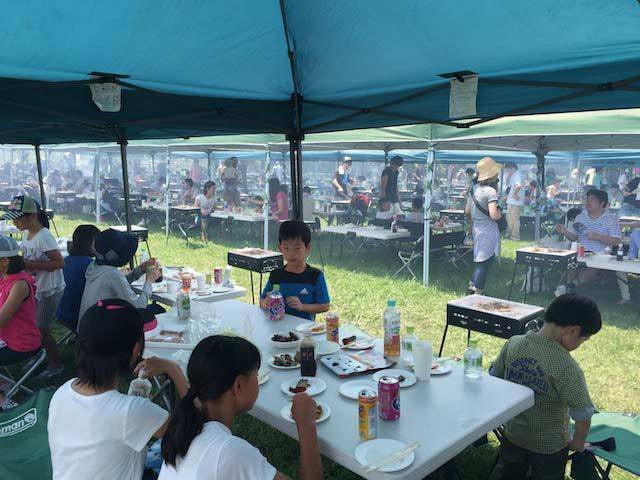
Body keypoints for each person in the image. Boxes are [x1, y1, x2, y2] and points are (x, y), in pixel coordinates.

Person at [48, 299, 188, 480]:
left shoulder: (62, 392)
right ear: (136, 349)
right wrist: (173, 369)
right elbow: (190, 434)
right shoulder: (130, 412)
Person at [158, 335, 322, 480]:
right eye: (256, 375)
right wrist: (306, 425)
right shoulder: (230, 452)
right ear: (238, 386)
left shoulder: (184, 430)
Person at [489, 294, 601, 480]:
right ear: (573, 331)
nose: (581, 344)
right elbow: (583, 413)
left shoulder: (513, 343)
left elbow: (494, 377)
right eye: (584, 339)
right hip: (549, 447)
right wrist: (579, 442)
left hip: (513, 434)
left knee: (508, 473)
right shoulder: (566, 367)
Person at [4, 195, 65, 379]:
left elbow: (59, 263)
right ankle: (38, 355)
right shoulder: (25, 233)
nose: (14, 223)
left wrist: (31, 265)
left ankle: (55, 364)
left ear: (32, 216)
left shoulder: (44, 236)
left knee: (43, 328)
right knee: (34, 326)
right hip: (36, 287)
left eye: (18, 218)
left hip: (49, 289)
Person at [79, 229, 162, 325]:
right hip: (101, 330)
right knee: (158, 310)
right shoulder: (112, 274)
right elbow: (138, 307)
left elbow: (119, 284)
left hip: (88, 327)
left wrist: (140, 269)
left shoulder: (94, 266)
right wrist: (149, 282)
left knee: (155, 309)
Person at [260, 221, 330, 320]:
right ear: (280, 248)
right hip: (277, 323)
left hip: (304, 326)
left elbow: (325, 306)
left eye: (297, 248)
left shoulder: (315, 276)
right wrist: (264, 303)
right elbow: (262, 299)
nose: (291, 253)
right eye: (286, 248)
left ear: (307, 248)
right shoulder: (276, 274)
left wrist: (302, 307)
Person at [556, 189, 621, 288]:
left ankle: (570, 287)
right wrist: (564, 231)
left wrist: (598, 237)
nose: (588, 202)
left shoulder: (611, 219)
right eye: (587, 199)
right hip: (581, 252)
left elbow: (616, 241)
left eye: (592, 199)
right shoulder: (580, 217)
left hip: (601, 254)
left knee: (594, 265)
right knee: (572, 260)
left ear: (602, 203)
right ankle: (569, 285)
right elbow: (574, 237)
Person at [0, 236, 40, 367]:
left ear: (5, 261)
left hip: (20, 345)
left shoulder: (19, 285)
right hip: (5, 338)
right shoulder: (4, 278)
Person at [56, 225, 100, 331]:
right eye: (98, 241)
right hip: (78, 316)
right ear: (89, 243)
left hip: (61, 313)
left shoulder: (66, 260)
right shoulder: (90, 265)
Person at [468, 157, 502, 295]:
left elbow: (467, 211)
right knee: (484, 262)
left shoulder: (473, 188)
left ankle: (471, 287)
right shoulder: (490, 191)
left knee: (479, 260)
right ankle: (477, 293)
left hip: (477, 227)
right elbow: (494, 215)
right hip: (488, 229)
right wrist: (500, 213)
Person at [616, 225, 640, 305]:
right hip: (637, 262)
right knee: (620, 270)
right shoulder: (636, 233)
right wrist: (628, 260)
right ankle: (625, 297)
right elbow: (632, 252)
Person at [505, 162, 524, 241]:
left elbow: (518, 186)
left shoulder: (517, 175)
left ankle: (515, 237)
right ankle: (510, 234)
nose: (508, 172)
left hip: (515, 202)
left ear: (512, 168)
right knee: (510, 219)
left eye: (508, 170)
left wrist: (514, 194)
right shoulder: (515, 175)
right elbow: (510, 186)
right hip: (513, 202)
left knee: (514, 220)